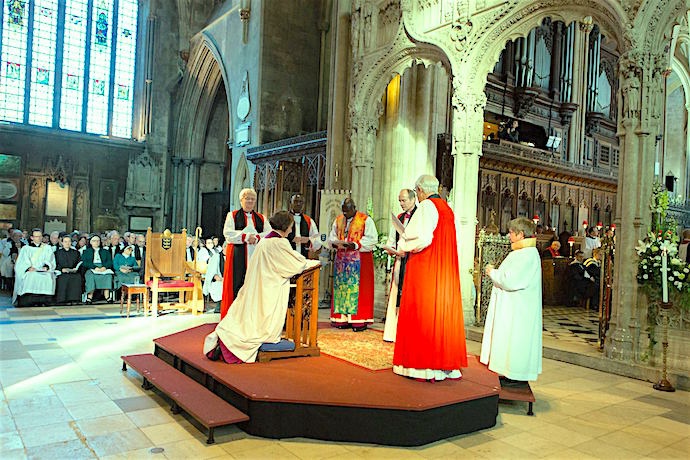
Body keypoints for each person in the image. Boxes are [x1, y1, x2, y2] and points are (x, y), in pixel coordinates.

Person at [203, 211, 321, 363]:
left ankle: (226, 340)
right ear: (285, 227)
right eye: (291, 227)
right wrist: (313, 263)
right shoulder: (279, 243)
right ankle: (238, 344)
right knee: (261, 324)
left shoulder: (265, 240)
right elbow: (294, 264)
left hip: (258, 285)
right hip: (269, 289)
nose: (291, 230)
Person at [393, 175, 467, 381]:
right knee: (441, 315)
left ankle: (422, 365)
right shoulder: (447, 209)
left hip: (426, 267)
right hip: (444, 268)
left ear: (419, 190)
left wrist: (403, 246)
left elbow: (421, 238)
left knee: (422, 314)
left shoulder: (425, 207)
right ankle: (445, 364)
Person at [480, 217, 543, 386]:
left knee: (516, 341)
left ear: (521, 234)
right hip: (515, 307)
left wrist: (492, 272)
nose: (508, 236)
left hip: (518, 310)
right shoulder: (523, 252)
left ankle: (514, 375)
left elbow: (511, 280)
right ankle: (508, 372)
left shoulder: (526, 255)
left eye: (511, 233)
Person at [221, 188, 272, 318]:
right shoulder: (232, 215)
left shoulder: (261, 218)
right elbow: (227, 233)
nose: (249, 201)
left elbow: (269, 233)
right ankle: (235, 316)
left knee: (255, 285)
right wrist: (245, 237)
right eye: (247, 198)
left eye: (252, 199)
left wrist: (258, 238)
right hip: (238, 255)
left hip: (256, 254)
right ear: (241, 200)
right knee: (237, 284)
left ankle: (253, 316)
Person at [328, 197, 378, 331]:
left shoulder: (365, 220)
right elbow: (332, 235)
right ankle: (342, 318)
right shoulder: (338, 220)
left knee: (358, 290)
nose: (345, 214)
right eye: (343, 211)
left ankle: (358, 320)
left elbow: (372, 239)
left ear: (354, 208)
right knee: (342, 289)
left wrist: (355, 244)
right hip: (342, 262)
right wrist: (334, 242)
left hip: (359, 260)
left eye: (348, 211)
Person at [382, 188, 417, 342]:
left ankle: (407, 332)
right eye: (400, 200)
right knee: (396, 293)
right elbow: (392, 239)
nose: (401, 203)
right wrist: (391, 249)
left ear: (413, 199)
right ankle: (393, 332)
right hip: (399, 261)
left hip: (413, 262)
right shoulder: (399, 218)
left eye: (404, 200)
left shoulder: (419, 217)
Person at [13, 228, 57, 306]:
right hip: (31, 270)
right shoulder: (26, 249)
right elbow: (21, 263)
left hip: (43, 270)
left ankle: (44, 300)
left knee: (48, 276)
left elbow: (50, 260)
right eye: (36, 236)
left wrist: (47, 267)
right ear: (32, 238)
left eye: (40, 236)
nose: (39, 238)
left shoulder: (47, 248)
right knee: (31, 276)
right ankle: (28, 300)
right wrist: (28, 268)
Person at [81, 234, 114, 303]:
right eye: (94, 241)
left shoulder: (105, 251)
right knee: (91, 276)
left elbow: (110, 262)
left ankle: (107, 296)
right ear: (90, 242)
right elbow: (84, 262)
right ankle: (90, 296)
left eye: (98, 241)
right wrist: (94, 267)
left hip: (103, 267)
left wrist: (104, 267)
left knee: (108, 276)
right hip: (91, 268)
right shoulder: (86, 251)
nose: (96, 242)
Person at [54, 234, 83, 305]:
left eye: (69, 241)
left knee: (77, 278)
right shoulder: (57, 253)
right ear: (62, 243)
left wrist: (74, 269)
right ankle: (62, 299)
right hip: (62, 273)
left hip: (73, 272)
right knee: (63, 278)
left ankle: (74, 299)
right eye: (65, 241)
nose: (67, 243)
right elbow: (55, 264)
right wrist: (61, 269)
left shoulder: (76, 253)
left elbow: (79, 262)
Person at [203, 243, 227, 307]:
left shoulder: (233, 257)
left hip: (229, 279)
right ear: (223, 247)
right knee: (219, 286)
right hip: (219, 279)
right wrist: (215, 276)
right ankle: (219, 306)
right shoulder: (216, 256)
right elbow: (211, 271)